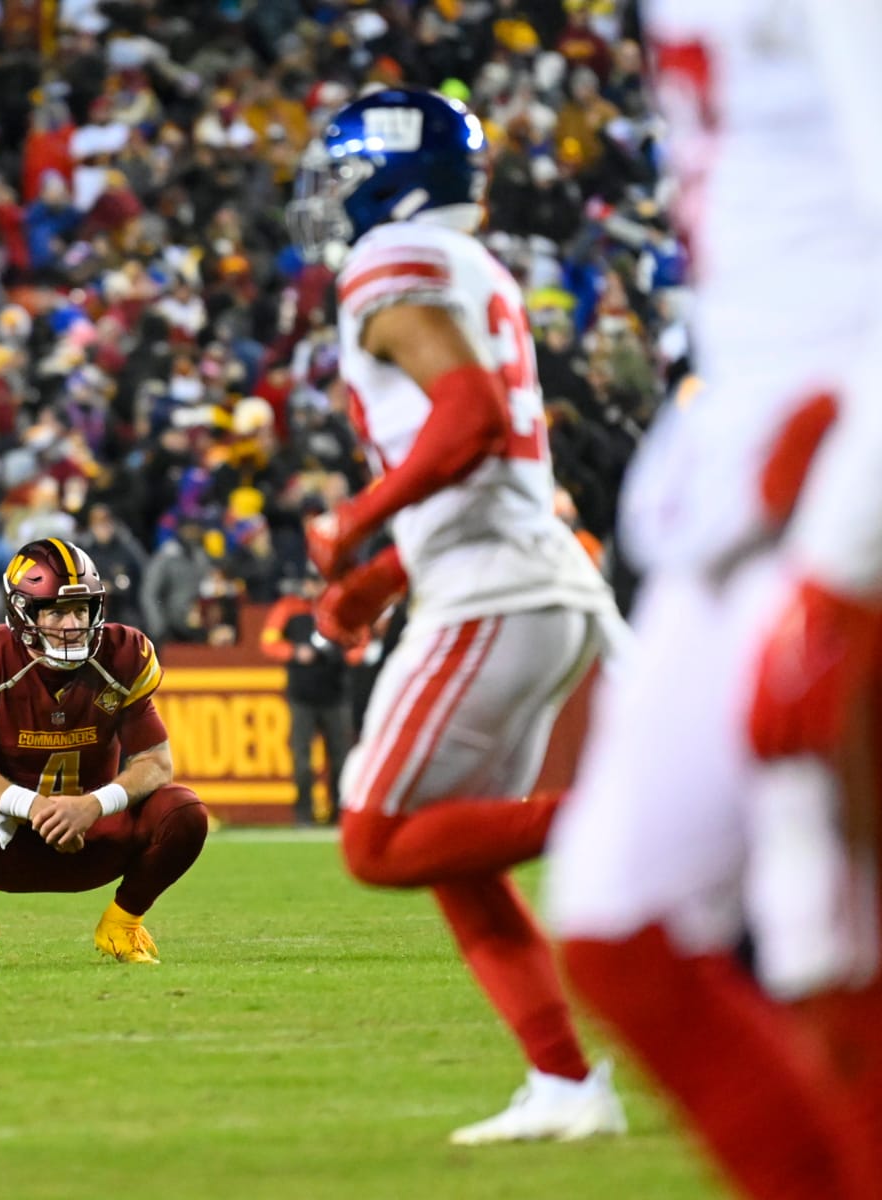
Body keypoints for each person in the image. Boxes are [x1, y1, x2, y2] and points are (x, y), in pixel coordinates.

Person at [547, 5, 882, 1198]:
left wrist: (846, 559)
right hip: (748, 484)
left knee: (832, 947)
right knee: (623, 915)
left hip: (838, 473)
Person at [287, 87, 627, 1143]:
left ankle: (677, 816)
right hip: (524, 575)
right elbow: (484, 468)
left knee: (379, 839)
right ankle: (567, 1086)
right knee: (453, 853)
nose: (335, 200)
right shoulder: (468, 264)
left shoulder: (390, 261)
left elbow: (471, 422)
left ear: (391, 178)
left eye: (345, 176)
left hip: (499, 588)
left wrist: (355, 518)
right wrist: (376, 581)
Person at [0, 537, 209, 967]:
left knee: (184, 811)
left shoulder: (123, 654)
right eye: (55, 610)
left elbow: (157, 763)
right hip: (10, 838)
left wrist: (93, 805)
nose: (72, 624)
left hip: (95, 835)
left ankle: (122, 924)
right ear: (23, 613)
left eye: (81, 609)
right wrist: (34, 807)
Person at [260, 569, 361, 826]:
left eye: (318, 581)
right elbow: (268, 642)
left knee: (341, 758)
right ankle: (304, 815)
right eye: (310, 580)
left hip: (336, 694)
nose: (314, 586)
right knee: (302, 760)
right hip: (302, 695)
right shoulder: (291, 607)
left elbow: (360, 643)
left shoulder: (340, 608)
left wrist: (342, 655)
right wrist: (294, 651)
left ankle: (339, 814)